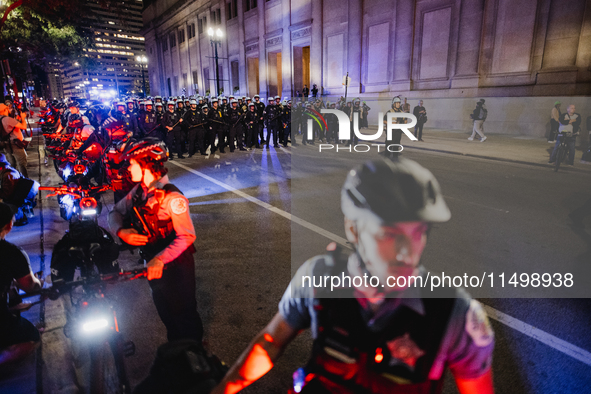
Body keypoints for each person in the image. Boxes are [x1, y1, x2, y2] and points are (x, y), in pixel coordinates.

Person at [211, 158, 494, 394]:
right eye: (389, 234)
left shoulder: (453, 313)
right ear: (353, 229)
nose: (408, 253)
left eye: (418, 233)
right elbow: (271, 343)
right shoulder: (318, 276)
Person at [108, 139, 203, 342]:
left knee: (184, 314)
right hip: (152, 261)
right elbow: (115, 212)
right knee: (166, 312)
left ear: (146, 165)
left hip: (176, 265)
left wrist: (160, 259)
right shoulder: (140, 191)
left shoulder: (172, 197)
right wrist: (120, 232)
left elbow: (187, 235)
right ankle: (176, 351)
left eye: (132, 163)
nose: (128, 168)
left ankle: (195, 357)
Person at [0, 203, 42, 369]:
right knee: (32, 338)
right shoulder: (11, 253)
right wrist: (39, 283)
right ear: (9, 225)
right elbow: (30, 287)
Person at [0, 154, 38, 226]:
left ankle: (18, 217)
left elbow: (7, 194)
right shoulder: (6, 172)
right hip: (16, 200)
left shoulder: (8, 175)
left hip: (15, 203)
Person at [0, 103, 29, 178]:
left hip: (6, 144)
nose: (9, 110)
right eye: (7, 108)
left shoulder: (1, 119)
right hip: (15, 144)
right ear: (4, 110)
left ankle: (13, 180)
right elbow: (24, 127)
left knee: (11, 163)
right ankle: (25, 181)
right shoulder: (7, 119)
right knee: (21, 163)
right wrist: (23, 118)